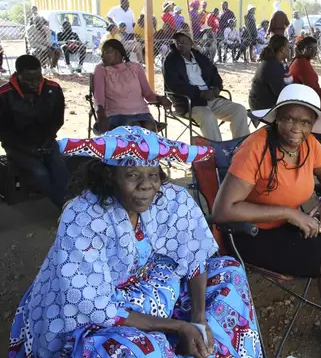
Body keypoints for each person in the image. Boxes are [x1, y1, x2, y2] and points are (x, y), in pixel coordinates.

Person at [9, 126, 263, 358]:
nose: (146, 186)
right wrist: (178, 326)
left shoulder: (171, 198)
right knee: (127, 351)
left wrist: (198, 319)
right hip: (98, 306)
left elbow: (195, 256)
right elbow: (96, 307)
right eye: (132, 175)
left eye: (153, 175)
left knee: (230, 272)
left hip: (151, 286)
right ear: (109, 177)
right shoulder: (83, 216)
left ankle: (211, 348)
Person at [213, 85, 321, 358]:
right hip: (251, 234)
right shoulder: (256, 148)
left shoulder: (308, 144)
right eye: (289, 119)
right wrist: (289, 213)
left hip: (291, 224)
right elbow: (223, 211)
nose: (296, 128)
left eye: (305, 122)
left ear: (312, 125)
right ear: (277, 117)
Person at [0, 55, 67, 209]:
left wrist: (47, 140)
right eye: (29, 80)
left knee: (60, 167)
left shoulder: (53, 89)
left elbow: (57, 120)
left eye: (38, 77)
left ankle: (63, 201)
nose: (35, 83)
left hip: (46, 141)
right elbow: (3, 131)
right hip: (17, 145)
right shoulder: (4, 95)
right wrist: (27, 149)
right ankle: (62, 205)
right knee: (40, 172)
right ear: (18, 75)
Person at [163, 30, 249, 142]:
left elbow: (214, 73)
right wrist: (200, 93)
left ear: (191, 43)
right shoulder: (171, 60)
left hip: (210, 98)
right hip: (189, 102)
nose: (180, 45)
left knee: (239, 110)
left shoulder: (200, 57)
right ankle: (217, 153)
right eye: (177, 42)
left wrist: (217, 87)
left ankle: (241, 148)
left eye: (184, 41)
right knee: (208, 117)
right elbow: (174, 85)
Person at [93, 39, 169, 133]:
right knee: (134, 127)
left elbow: (148, 94)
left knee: (149, 126)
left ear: (117, 53)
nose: (102, 56)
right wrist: (100, 116)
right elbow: (98, 98)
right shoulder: (101, 70)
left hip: (142, 113)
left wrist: (161, 98)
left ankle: (146, 147)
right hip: (116, 114)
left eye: (106, 52)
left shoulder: (136, 68)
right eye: (102, 52)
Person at [290, 36, 321, 119]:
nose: (314, 51)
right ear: (303, 48)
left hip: (303, 93)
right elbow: (312, 88)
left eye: (315, 48)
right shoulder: (302, 63)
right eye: (310, 48)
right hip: (301, 96)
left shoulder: (302, 60)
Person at [248, 35, 292, 111]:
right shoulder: (271, 65)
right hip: (262, 106)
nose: (290, 49)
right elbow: (280, 92)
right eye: (288, 47)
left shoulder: (279, 62)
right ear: (282, 49)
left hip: (268, 101)